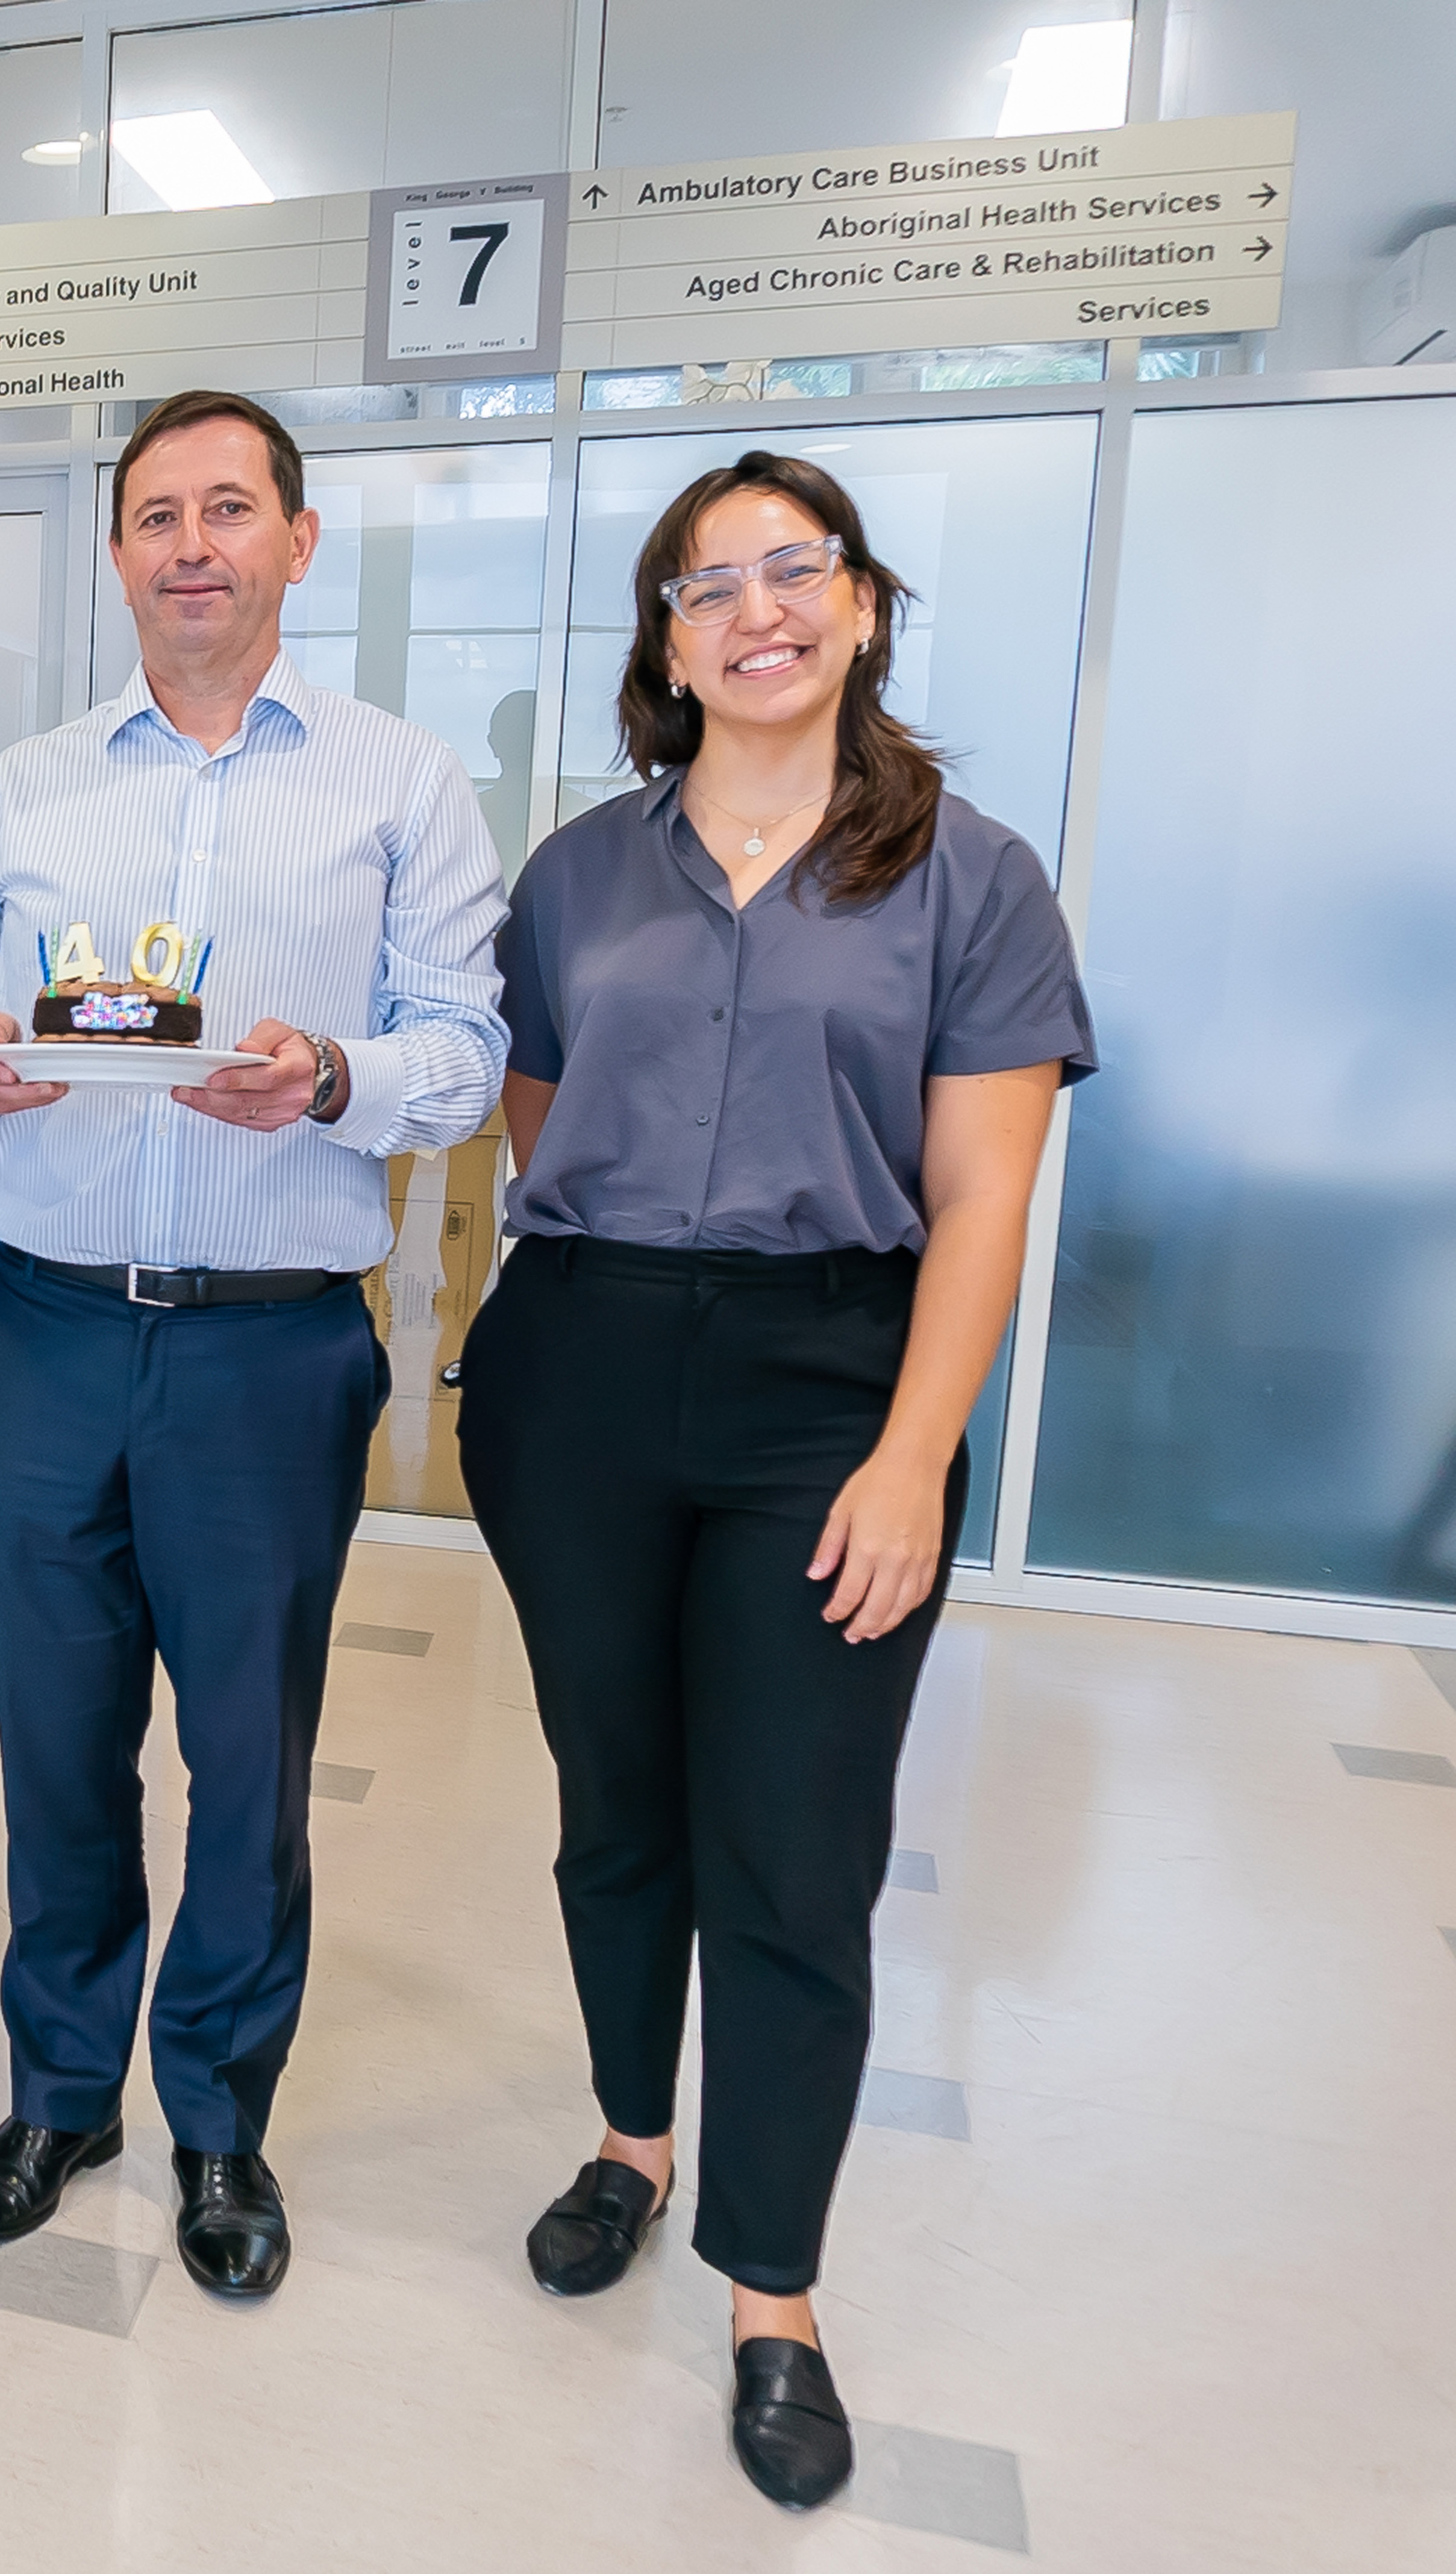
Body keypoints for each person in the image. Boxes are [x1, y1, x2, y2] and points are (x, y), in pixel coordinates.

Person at [457, 451, 1089, 2512]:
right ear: (664, 639)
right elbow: (533, 1122)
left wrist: (914, 1454)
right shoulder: (576, 874)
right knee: (613, 1796)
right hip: (583, 1363)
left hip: (835, 1371)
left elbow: (985, 1196)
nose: (755, 609)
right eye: (706, 583)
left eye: (791, 569)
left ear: (864, 608)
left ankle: (775, 2289)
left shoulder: (969, 873)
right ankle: (631, 2139)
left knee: (796, 1845)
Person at [0, 389, 505, 2293]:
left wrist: (327, 1077)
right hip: (40, 1337)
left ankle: (218, 2121)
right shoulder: (33, 787)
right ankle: (62, 2089)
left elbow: (464, 1057)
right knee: (58, 1747)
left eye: (224, 510)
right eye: (153, 513)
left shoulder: (398, 784)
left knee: (243, 1756)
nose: (186, 546)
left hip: (261, 1352)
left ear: (292, 543)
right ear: (117, 552)